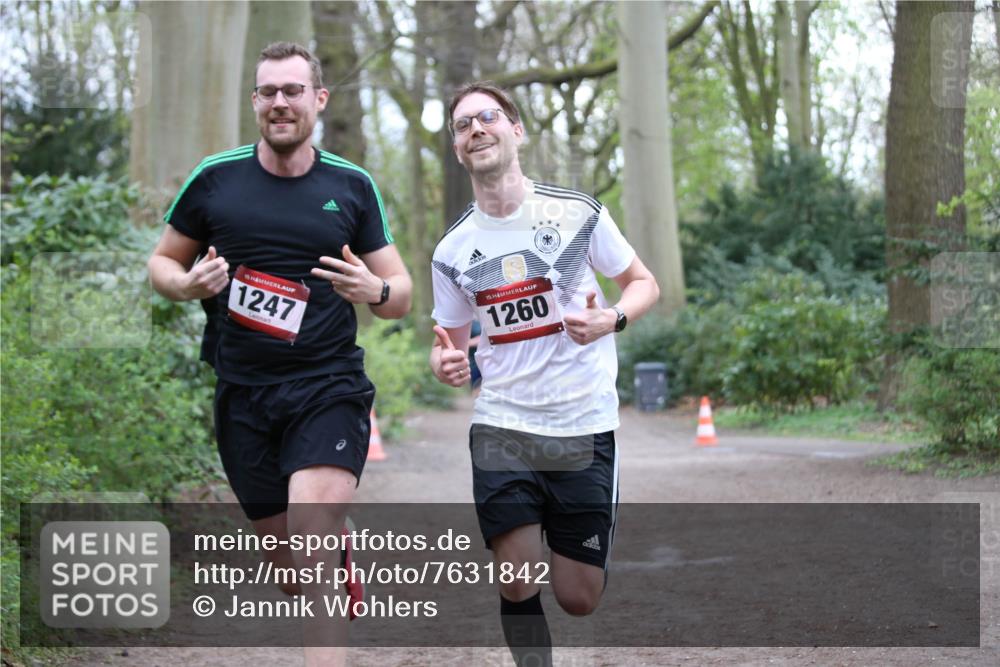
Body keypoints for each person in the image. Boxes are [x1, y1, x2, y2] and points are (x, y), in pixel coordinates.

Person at [148, 42, 412, 666]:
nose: (280, 103)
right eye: (268, 92)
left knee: (310, 545)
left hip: (328, 388)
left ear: (318, 100)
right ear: (255, 102)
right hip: (243, 394)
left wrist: (372, 290)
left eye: (293, 90)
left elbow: (399, 294)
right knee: (293, 572)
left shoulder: (350, 185)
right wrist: (185, 286)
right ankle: (340, 555)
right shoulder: (216, 178)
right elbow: (162, 261)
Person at [429, 82, 660, 666]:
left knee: (578, 598)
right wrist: (447, 364)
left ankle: (594, 524)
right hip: (503, 421)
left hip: (581, 419)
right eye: (462, 125)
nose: (475, 129)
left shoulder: (576, 213)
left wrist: (611, 319)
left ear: (516, 130)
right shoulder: (453, 250)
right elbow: (450, 346)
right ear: (458, 148)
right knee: (515, 576)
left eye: (488, 118)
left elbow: (644, 284)